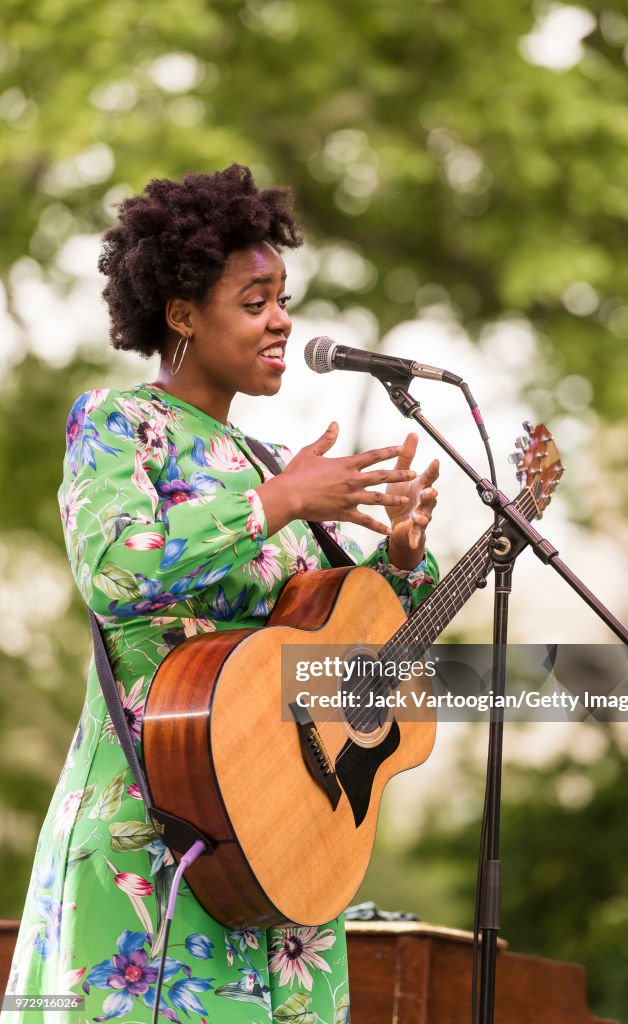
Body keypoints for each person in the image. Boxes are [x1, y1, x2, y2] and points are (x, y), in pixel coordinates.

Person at [4, 164, 439, 1024]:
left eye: (283, 298)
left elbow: (357, 643)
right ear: (181, 314)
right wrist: (280, 503)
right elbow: (116, 569)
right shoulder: (120, 423)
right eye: (255, 300)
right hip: (156, 826)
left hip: (283, 841)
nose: (282, 320)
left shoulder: (275, 463)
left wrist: (400, 554)